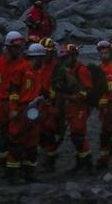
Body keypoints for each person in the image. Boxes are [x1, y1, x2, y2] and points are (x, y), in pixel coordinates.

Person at [0, 32, 27, 173]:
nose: (18, 50)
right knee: (1, 135)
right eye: (15, 47)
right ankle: (3, 161)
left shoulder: (24, 65)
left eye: (20, 47)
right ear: (8, 47)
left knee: (16, 135)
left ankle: (15, 164)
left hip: (16, 104)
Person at [5, 43, 43, 184]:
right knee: (16, 143)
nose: (43, 61)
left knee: (32, 145)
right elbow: (13, 90)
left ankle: (29, 174)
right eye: (41, 58)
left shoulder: (37, 72)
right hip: (21, 110)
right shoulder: (21, 69)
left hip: (33, 111)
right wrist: (13, 108)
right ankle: (12, 176)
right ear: (36, 57)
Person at [63, 44, 93, 173]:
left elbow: (88, 89)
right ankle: (81, 162)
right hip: (72, 106)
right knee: (75, 134)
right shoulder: (69, 71)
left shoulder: (81, 70)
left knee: (78, 135)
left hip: (80, 106)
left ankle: (88, 163)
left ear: (74, 56)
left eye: (67, 57)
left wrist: (75, 97)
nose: (65, 60)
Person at [37, 37, 62, 171]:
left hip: (52, 104)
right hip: (39, 103)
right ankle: (48, 154)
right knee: (38, 131)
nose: (46, 55)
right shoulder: (39, 65)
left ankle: (51, 159)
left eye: (49, 52)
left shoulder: (57, 67)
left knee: (49, 131)